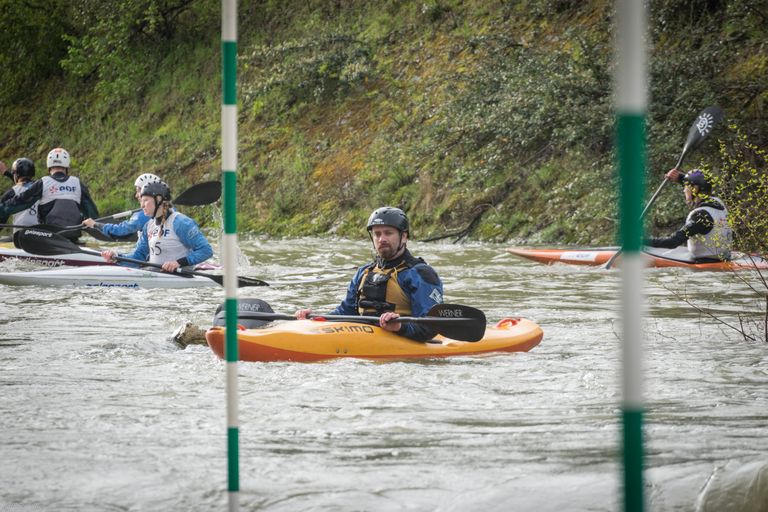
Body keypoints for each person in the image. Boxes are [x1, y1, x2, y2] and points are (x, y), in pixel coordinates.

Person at [296, 206, 444, 341]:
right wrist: (315, 319)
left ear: (404, 236)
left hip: (404, 340)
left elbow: (429, 327)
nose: (382, 239)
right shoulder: (364, 272)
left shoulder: (420, 274)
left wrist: (399, 326)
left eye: (388, 233)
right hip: (364, 337)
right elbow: (345, 312)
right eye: (377, 234)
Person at [100, 181, 213, 272]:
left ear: (158, 200)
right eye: (141, 201)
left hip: (181, 278)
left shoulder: (180, 222)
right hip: (157, 274)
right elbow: (138, 257)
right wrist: (117, 257)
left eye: (145, 200)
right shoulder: (148, 226)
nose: (142, 205)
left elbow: (206, 250)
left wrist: (178, 263)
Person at [0, 148, 99, 240]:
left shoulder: (43, 183)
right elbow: (92, 213)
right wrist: (97, 226)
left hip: (50, 237)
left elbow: (20, 201)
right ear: (67, 166)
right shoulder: (78, 183)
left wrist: (3, 208)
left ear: (49, 167)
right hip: (74, 235)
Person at [645, 168, 732, 261]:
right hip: (723, 259)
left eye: (686, 188)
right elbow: (701, 185)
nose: (684, 191)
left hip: (705, 265)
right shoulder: (719, 204)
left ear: (694, 189)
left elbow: (673, 242)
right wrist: (679, 177)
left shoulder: (700, 216)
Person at [82, 173, 161, 240]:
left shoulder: (143, 216)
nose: (136, 195)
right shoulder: (171, 211)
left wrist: (95, 224)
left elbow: (120, 232)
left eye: (138, 191)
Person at [0, 158, 39, 231]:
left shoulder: (10, 193)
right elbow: (24, 185)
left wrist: (6, 172)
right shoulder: (41, 187)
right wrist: (6, 172)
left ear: (16, 175)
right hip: (42, 233)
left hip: (20, 235)